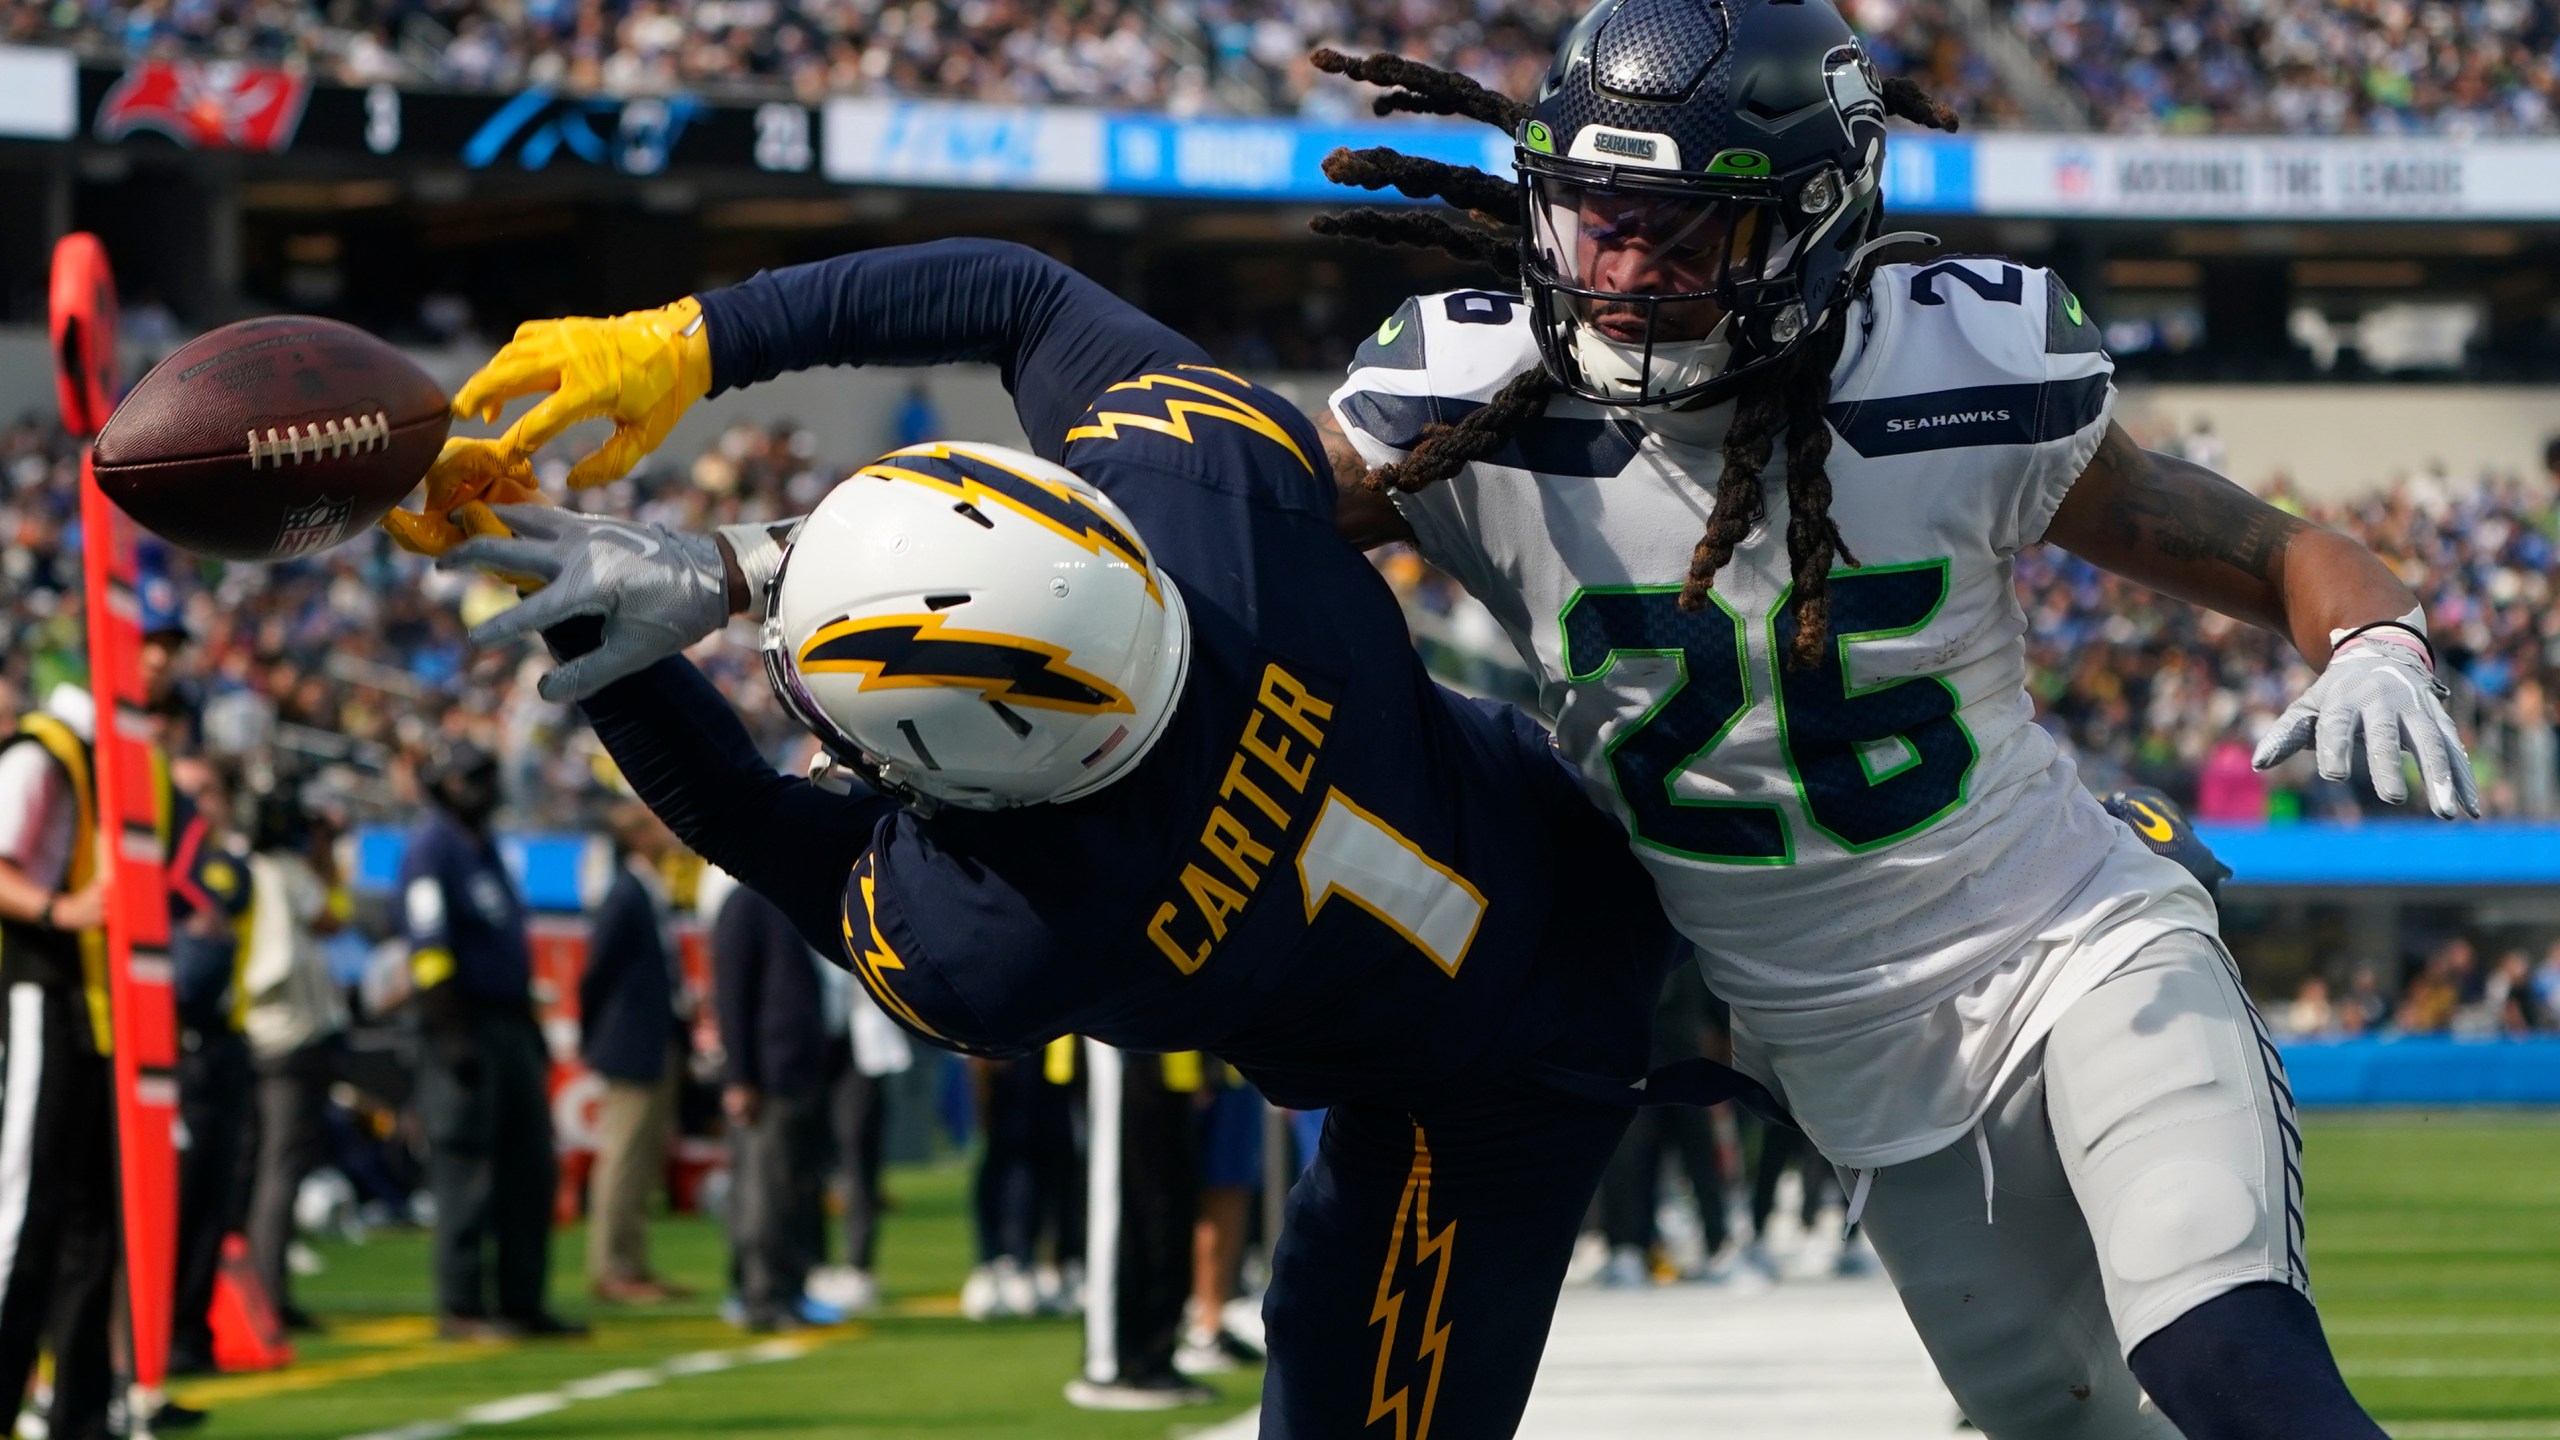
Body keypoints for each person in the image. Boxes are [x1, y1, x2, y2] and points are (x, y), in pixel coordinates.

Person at [1310, 9, 2466, 1435]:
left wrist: (2377, 637)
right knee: (2068, 1420)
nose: (1620, 274)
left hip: (2075, 946)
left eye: (1685, 233)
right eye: (1594, 217)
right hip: (1840, 1053)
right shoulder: (1463, 406)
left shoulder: (1954, 369)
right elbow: (1226, 540)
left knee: (2225, 1353)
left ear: (1816, 224)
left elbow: (2265, 546)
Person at [410, 237, 1725, 1430]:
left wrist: (586, 620)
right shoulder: (1204, 487)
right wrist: (693, 338)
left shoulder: (999, 939)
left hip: (1472, 1113)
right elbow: (1015, 292)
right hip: (1615, 841)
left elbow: (749, 818)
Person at [401, 740, 583, 1340]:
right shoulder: (433, 851)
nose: (486, 789)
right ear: (447, 784)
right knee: (466, 1169)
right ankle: (462, 1307)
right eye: (472, 778)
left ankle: (519, 1301)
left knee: (527, 1170)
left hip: (508, 1026)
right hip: (464, 1026)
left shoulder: (487, 851)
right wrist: (451, 1035)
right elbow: (428, 951)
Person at [0, 687, 120, 1440]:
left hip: (91, 1004)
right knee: (25, 1202)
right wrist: (60, 911)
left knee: (89, 1214)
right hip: (40, 991)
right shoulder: (39, 755)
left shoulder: (96, 761)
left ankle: (79, 1409)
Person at [239, 784, 352, 1333]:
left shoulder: (244, 865)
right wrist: (324, 850)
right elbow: (332, 917)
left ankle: (262, 1288)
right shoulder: (284, 869)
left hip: (255, 1029)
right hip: (289, 1035)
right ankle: (267, 1294)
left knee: (266, 1165)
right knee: (281, 1168)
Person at [580, 803, 693, 1304]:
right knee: (623, 1157)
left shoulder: (645, 890)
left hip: (652, 1039)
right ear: (638, 837)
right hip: (632, 1043)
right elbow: (597, 972)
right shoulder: (625, 895)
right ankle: (611, 1266)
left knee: (642, 1158)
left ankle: (632, 1261)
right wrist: (599, 1035)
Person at [709, 876, 831, 1331]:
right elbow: (732, 995)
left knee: (789, 1191)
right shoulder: (746, 902)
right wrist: (740, 1076)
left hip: (795, 1069)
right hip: (768, 1073)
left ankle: (787, 1289)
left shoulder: (784, 898)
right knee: (764, 1191)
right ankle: (763, 1295)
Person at [168, 761, 254, 1377]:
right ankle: (165, 1335)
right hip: (181, 1048)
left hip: (218, 1044)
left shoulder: (218, 867)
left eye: (208, 792)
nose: (199, 804)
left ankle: (188, 1335)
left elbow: (216, 906)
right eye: (187, 794)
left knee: (209, 1202)